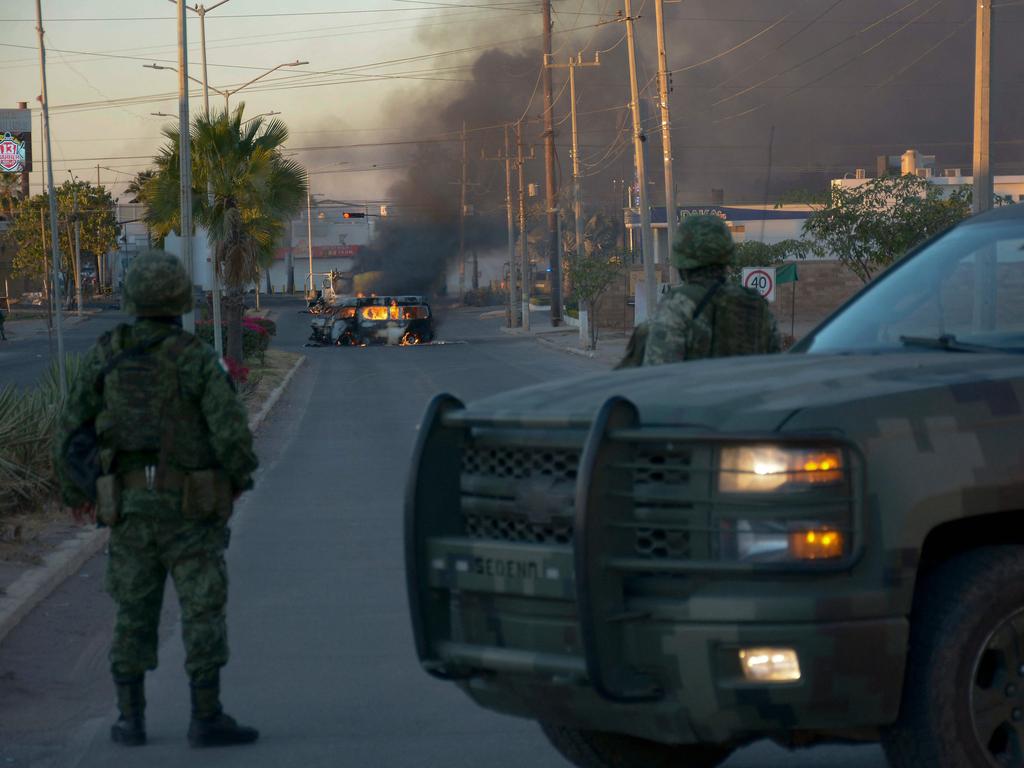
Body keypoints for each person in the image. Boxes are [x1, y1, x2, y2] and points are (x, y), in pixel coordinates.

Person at [53, 250, 260, 748]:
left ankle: (130, 720)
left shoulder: (107, 353)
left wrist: (76, 492)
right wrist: (237, 480)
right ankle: (205, 716)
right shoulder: (194, 356)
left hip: (128, 510)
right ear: (178, 299)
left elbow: (71, 426)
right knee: (202, 609)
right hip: (191, 511)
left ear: (131, 299)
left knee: (132, 611)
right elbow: (230, 429)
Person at [636, 215, 781, 366]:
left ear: (682, 264)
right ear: (728, 258)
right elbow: (774, 367)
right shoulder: (755, 304)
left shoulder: (678, 304)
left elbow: (657, 373)